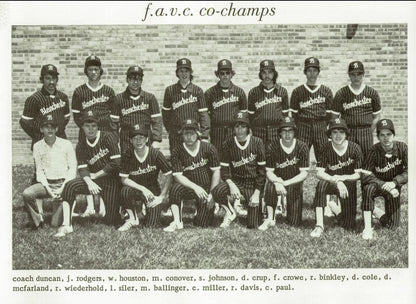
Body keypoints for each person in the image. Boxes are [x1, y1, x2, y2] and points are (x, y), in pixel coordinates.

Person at [56, 111, 121, 237]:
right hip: (92, 180)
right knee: (70, 186)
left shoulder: (108, 137)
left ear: (98, 126)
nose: (90, 129)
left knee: (111, 220)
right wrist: (90, 182)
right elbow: (82, 168)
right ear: (82, 127)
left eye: (93, 126)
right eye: (87, 126)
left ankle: (118, 210)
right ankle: (66, 224)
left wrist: (96, 175)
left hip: (110, 180)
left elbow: (116, 162)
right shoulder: (81, 144)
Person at [163, 119, 221, 232]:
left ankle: (206, 211)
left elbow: (216, 172)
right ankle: (177, 221)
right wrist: (195, 187)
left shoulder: (209, 148)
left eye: (192, 133)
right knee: (175, 188)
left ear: (198, 134)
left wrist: (212, 195)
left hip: (205, 189)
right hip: (188, 187)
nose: (189, 137)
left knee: (202, 224)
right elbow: (177, 176)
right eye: (186, 133)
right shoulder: (177, 151)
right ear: (182, 135)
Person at [212, 112, 266, 229]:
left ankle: (258, 206)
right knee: (217, 191)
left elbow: (262, 172)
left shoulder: (257, 142)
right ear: (233, 128)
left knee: (253, 224)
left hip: (253, 183)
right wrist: (231, 185)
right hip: (237, 182)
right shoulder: (228, 143)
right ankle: (230, 212)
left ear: (248, 128)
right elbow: (225, 170)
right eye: (237, 126)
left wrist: (257, 193)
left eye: (243, 126)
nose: (240, 130)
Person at [310, 118, 362, 238]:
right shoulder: (325, 147)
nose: (338, 135)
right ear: (330, 134)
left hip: (348, 184)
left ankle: (333, 206)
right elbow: (319, 173)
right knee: (321, 185)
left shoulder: (355, 148)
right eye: (334, 132)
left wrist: (342, 178)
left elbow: (358, 175)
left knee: (348, 225)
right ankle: (319, 225)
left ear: (346, 134)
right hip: (330, 182)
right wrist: (336, 181)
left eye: (341, 132)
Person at [22, 115, 77, 229]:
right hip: (46, 184)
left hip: (63, 184)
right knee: (27, 193)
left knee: (55, 224)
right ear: (41, 129)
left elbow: (72, 168)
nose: (50, 129)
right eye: (46, 127)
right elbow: (40, 171)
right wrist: (49, 190)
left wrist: (62, 188)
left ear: (56, 129)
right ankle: (38, 221)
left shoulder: (66, 144)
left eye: (52, 126)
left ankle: (63, 206)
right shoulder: (37, 146)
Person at [118, 123, 172, 231]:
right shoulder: (127, 154)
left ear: (147, 139)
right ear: (130, 141)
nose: (138, 141)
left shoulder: (155, 154)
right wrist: (143, 189)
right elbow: (124, 179)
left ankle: (146, 211)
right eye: (135, 138)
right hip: (135, 189)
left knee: (152, 225)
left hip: (152, 190)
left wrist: (162, 197)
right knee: (125, 191)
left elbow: (169, 174)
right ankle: (133, 218)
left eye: (141, 138)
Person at [259, 117, 309, 230]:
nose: (287, 134)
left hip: (293, 181)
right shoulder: (272, 146)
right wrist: (277, 182)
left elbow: (304, 173)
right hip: (277, 181)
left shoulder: (302, 146)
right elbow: (269, 172)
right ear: (280, 133)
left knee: (294, 223)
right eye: (284, 131)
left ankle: (285, 204)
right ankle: (270, 217)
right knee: (271, 186)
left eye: (290, 130)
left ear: (294, 132)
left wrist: (286, 183)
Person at [361, 119, 407, 240]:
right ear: (378, 136)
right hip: (376, 184)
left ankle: (376, 211)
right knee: (368, 189)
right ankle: (367, 227)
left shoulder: (402, 148)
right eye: (382, 135)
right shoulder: (373, 150)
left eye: (388, 134)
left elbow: (410, 171)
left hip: (393, 186)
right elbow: (366, 175)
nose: (385, 138)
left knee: (392, 226)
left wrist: (395, 182)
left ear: (394, 135)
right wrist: (383, 184)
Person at [289, 57, 335, 165]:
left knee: (323, 155)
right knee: (300, 155)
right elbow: (294, 114)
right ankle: (298, 180)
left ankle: (325, 180)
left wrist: (322, 124)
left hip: (321, 125)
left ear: (318, 72)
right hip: (303, 125)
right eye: (309, 71)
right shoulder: (298, 91)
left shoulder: (326, 91)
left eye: (315, 71)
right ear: (305, 72)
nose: (312, 74)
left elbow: (329, 114)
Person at [332, 61, 382, 158]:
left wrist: (369, 130)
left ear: (363, 74)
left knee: (367, 159)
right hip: (349, 132)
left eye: (359, 74)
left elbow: (377, 116)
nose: (356, 77)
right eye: (353, 74)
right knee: (348, 160)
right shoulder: (341, 93)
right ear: (349, 75)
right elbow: (334, 117)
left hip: (366, 132)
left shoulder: (372, 93)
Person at [110, 65, 163, 154]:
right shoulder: (119, 99)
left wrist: (156, 140)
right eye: (132, 79)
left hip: (146, 138)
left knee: (147, 166)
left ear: (141, 80)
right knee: (128, 166)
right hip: (126, 140)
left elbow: (157, 121)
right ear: (127, 80)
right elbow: (113, 125)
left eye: (138, 79)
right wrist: (115, 143)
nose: (135, 82)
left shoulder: (150, 98)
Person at [162, 58, 210, 153]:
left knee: (194, 163)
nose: (184, 74)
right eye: (181, 71)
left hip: (193, 134)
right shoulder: (170, 90)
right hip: (176, 134)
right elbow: (166, 115)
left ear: (190, 72)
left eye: (186, 71)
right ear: (177, 73)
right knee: (177, 162)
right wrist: (171, 131)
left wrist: (204, 136)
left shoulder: (198, 91)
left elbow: (204, 115)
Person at [20, 64, 71, 149]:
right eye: (48, 78)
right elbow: (25, 123)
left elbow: (66, 118)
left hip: (60, 142)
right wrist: (39, 135)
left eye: (54, 78)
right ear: (42, 80)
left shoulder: (63, 97)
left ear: (57, 79)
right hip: (41, 143)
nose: (51, 82)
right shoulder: (33, 99)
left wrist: (58, 130)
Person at [205, 59, 247, 152]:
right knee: (216, 158)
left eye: (227, 73)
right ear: (218, 75)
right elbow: (205, 116)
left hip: (233, 131)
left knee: (234, 158)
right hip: (216, 132)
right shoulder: (209, 93)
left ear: (232, 74)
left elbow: (244, 116)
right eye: (222, 73)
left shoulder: (239, 92)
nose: (225, 76)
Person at [72, 55, 117, 140]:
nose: (93, 72)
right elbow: (77, 118)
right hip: (86, 135)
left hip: (105, 133)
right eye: (90, 69)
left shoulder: (109, 91)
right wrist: (89, 129)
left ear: (100, 71)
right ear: (86, 71)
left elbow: (114, 117)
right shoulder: (79, 91)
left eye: (96, 69)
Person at [248, 59, 289, 145]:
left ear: (274, 74)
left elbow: (285, 115)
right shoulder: (253, 92)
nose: (267, 75)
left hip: (276, 132)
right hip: (258, 132)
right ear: (260, 74)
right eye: (264, 72)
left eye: (270, 72)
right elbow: (251, 116)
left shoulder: (282, 91)